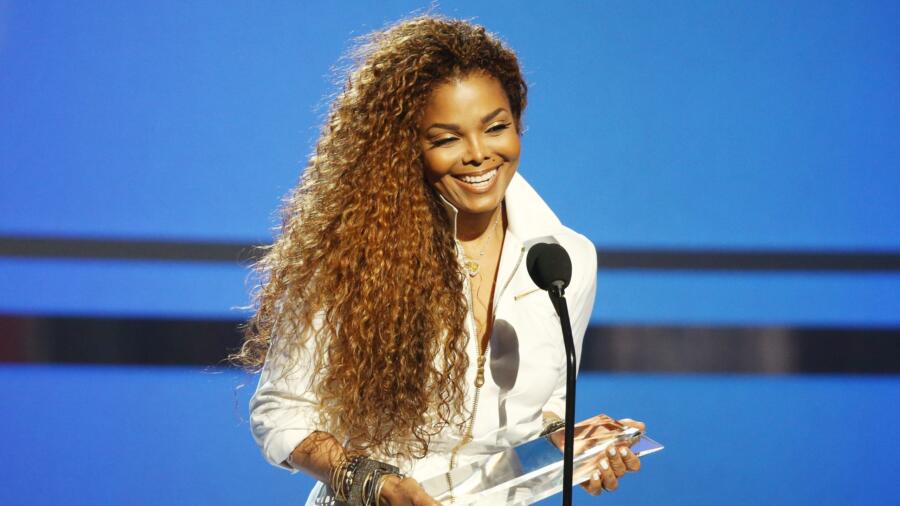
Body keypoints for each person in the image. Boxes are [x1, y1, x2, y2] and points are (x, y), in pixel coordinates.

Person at [233, 16, 644, 506]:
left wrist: (567, 444)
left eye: (497, 127)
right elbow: (282, 414)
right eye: (447, 138)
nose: (478, 155)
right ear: (405, 147)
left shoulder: (566, 260)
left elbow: (546, 402)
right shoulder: (347, 260)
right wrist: (371, 482)